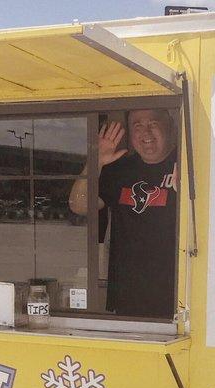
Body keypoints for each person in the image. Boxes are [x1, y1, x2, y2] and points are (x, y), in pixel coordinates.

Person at [69, 109, 177, 319]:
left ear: (170, 128)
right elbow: (79, 205)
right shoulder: (119, 170)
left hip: (177, 294)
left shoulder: (184, 165)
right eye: (137, 126)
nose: (146, 132)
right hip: (128, 293)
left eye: (153, 123)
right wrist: (95, 162)